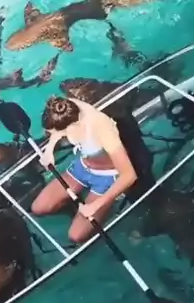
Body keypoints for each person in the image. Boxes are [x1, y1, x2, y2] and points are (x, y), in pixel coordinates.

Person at [31, 96, 138, 243]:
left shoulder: (101, 127)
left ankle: (105, 208)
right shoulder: (65, 107)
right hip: (83, 166)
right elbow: (56, 131)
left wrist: (95, 206)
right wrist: (49, 150)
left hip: (107, 177)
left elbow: (129, 175)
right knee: (38, 208)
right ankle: (74, 208)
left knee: (76, 236)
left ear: (71, 125)